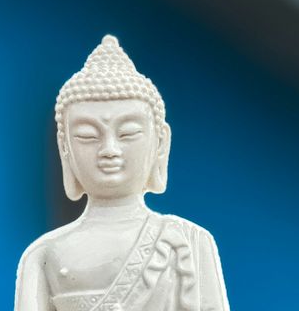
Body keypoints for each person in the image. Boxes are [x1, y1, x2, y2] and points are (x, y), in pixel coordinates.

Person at [15, 35, 230, 311]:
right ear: (64, 147)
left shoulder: (189, 243)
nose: (109, 150)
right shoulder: (44, 254)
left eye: (128, 133)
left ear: (160, 143)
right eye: (87, 136)